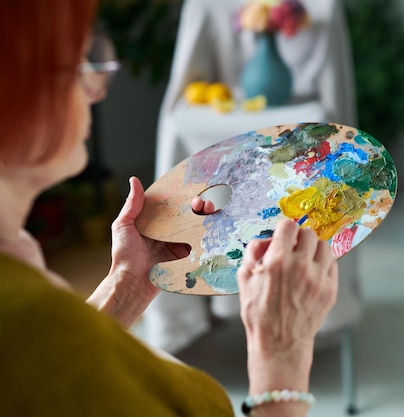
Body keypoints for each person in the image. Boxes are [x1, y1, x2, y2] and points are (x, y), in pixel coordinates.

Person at [0, 1, 338, 416]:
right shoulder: (21, 313)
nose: (95, 88)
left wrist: (127, 285)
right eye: (76, 61)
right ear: (13, 88)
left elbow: (49, 377)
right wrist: (282, 361)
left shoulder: (20, 283)